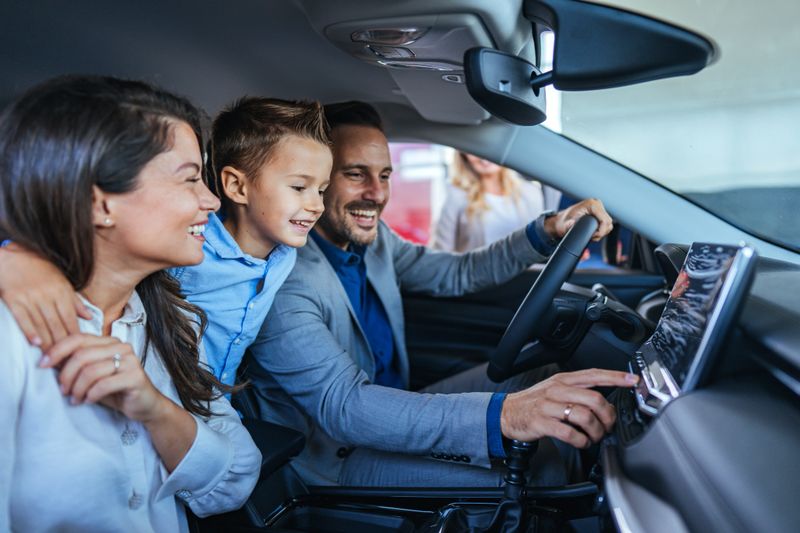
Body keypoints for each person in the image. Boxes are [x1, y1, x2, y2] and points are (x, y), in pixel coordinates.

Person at [243, 101, 639, 487]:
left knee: (546, 376)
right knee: (540, 467)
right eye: (356, 174)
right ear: (320, 178)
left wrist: (547, 230)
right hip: (338, 454)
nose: (377, 194)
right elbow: (346, 408)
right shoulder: (286, 283)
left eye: (384, 175)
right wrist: (504, 415)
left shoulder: (375, 244)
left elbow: (459, 273)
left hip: (396, 401)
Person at [0, 75, 260, 531]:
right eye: (190, 178)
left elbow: (237, 478)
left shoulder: (172, 320)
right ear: (101, 203)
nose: (211, 201)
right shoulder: (12, 337)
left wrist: (154, 408)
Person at [0, 96, 332, 390]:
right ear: (236, 187)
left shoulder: (285, 256)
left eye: (321, 190)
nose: (317, 204)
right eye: (300, 187)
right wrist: (14, 259)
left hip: (215, 399)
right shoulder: (186, 244)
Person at [430, 151, 547, 252]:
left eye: (490, 148)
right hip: (477, 276)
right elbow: (441, 251)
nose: (484, 157)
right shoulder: (455, 195)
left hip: (528, 276)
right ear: (463, 154)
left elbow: (540, 243)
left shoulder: (531, 192)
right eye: (474, 150)